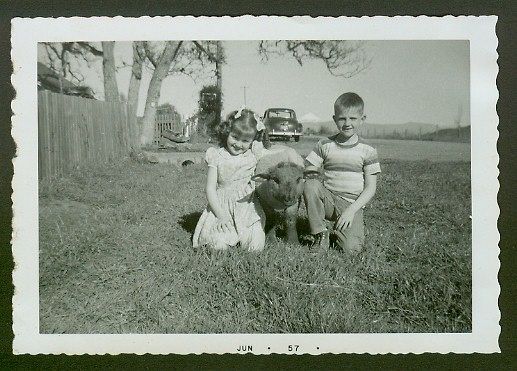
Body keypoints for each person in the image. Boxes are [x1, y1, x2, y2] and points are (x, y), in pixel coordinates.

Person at [303, 92, 381, 253]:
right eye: (342, 118)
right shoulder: (325, 144)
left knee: (351, 249)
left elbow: (370, 188)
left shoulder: (368, 150)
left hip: (352, 204)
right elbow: (309, 169)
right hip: (329, 200)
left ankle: (345, 230)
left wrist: (351, 211)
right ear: (334, 119)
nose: (347, 123)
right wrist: (312, 181)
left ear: (362, 119)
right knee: (310, 184)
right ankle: (320, 233)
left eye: (352, 118)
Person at [192, 107, 267, 251]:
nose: (238, 144)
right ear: (227, 132)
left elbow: (272, 154)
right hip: (222, 206)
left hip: (246, 207)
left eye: (245, 141)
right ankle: (221, 239)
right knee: (218, 244)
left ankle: (246, 238)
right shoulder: (217, 156)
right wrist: (220, 215)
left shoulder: (253, 154)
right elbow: (210, 189)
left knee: (255, 245)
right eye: (234, 137)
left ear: (252, 141)